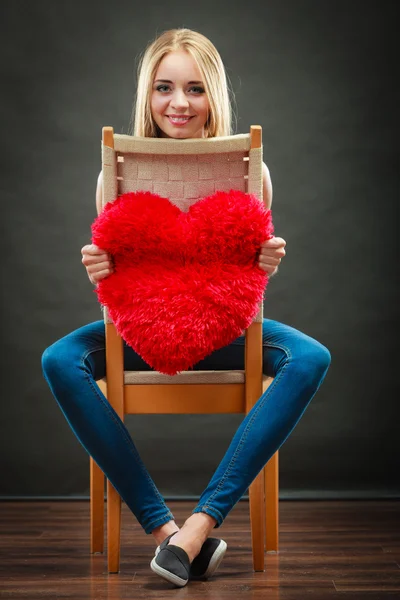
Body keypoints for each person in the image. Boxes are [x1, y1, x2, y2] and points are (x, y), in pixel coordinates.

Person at [42, 28, 331, 588]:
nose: (179, 103)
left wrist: (262, 262)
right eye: (165, 87)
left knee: (310, 356)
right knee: (59, 358)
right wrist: (100, 268)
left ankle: (200, 524)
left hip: (222, 329)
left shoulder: (253, 172)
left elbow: (239, 275)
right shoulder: (114, 174)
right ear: (146, 96)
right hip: (147, 333)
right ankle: (165, 533)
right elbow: (126, 286)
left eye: (196, 89)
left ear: (214, 97)